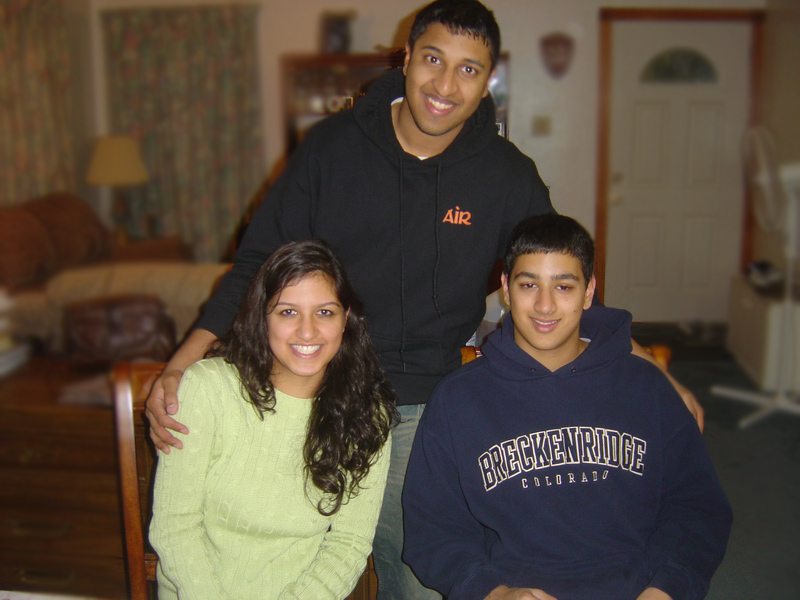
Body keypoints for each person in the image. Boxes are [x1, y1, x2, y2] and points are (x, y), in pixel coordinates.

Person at [145, 1, 703, 597]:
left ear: (487, 81)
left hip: (415, 403)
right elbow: (256, 264)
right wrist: (181, 364)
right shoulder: (331, 149)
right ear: (407, 58)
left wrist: (646, 364)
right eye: (434, 59)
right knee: (260, 546)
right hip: (310, 388)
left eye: (468, 69)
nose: (445, 85)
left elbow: (556, 274)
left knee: (421, 581)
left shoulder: (505, 175)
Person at [402, 214, 732, 600]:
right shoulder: (457, 399)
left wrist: (666, 588)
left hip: (639, 588)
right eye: (529, 285)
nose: (545, 305)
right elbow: (434, 527)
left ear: (589, 292)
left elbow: (696, 506)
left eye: (563, 286)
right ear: (505, 288)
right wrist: (492, 592)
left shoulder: (647, 387)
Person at [149, 239, 398, 599]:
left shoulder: (367, 414)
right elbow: (175, 528)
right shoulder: (207, 388)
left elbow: (349, 543)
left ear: (346, 318)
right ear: (262, 317)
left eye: (324, 312)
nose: (307, 331)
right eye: (288, 312)